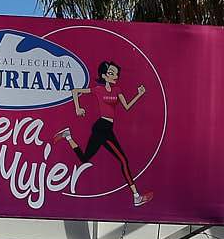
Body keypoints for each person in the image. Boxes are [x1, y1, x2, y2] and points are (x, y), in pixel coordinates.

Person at [57, 59, 153, 207]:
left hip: (107, 128)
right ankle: (136, 196)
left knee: (84, 158)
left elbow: (127, 106)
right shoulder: (98, 89)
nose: (115, 76)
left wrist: (139, 94)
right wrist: (78, 108)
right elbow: (75, 91)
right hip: (102, 127)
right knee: (123, 160)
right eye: (111, 73)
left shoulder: (117, 90)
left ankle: (68, 136)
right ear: (104, 75)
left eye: (116, 74)